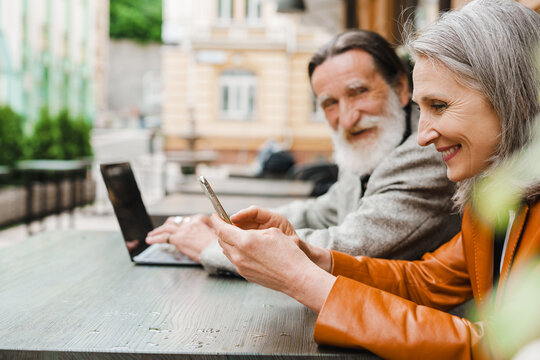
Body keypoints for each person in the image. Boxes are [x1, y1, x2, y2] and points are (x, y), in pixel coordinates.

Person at [210, 0, 540, 358]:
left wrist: (301, 278)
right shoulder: (491, 188)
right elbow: (427, 281)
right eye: (421, 108)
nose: (423, 135)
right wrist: (313, 257)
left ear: (516, 98)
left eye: (440, 106)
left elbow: (496, 348)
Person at [146, 30, 460, 274]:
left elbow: (345, 249)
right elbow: (323, 211)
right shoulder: (371, 148)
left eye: (359, 92)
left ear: (402, 89)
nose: (347, 118)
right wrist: (235, 228)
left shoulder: (429, 153)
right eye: (330, 103)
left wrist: (214, 246)